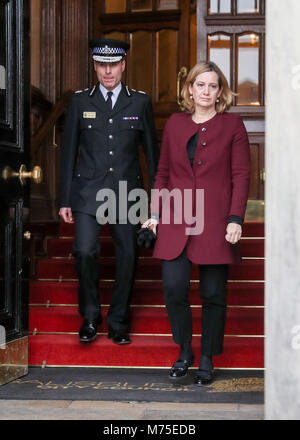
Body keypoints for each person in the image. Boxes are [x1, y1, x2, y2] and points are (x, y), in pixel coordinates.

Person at [142, 61, 250, 385]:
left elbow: (241, 175)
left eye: (212, 86)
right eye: (199, 85)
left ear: (220, 91)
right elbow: (162, 173)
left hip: (216, 221)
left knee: (213, 293)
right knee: (174, 289)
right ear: (189, 89)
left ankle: (207, 357)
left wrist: (235, 218)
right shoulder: (175, 124)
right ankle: (185, 351)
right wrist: (155, 214)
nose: (205, 91)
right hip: (175, 219)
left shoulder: (233, 126)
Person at [59, 38, 158, 345]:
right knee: (86, 250)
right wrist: (65, 198)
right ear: (95, 66)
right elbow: (69, 152)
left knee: (128, 255)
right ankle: (90, 317)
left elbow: (153, 156)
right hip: (88, 191)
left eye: (113, 64)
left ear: (123, 65)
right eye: (102, 65)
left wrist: (154, 205)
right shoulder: (80, 101)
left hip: (128, 194)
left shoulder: (139, 102)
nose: (107, 71)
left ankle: (118, 322)